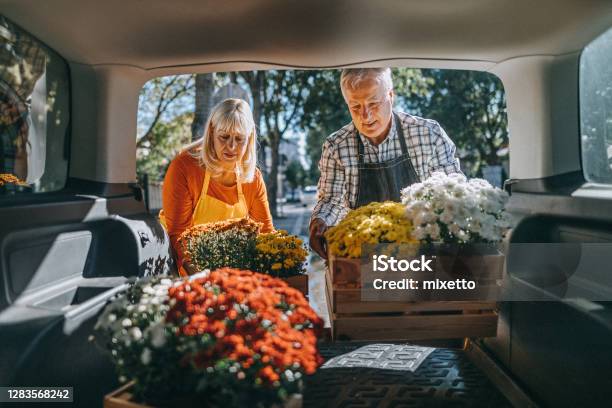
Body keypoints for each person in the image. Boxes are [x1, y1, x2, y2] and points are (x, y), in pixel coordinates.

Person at [309, 68, 462, 259]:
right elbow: (332, 199)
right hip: (362, 255)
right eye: (355, 106)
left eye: (373, 103)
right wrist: (320, 221)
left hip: (422, 252)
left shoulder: (429, 134)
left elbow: (451, 194)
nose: (366, 116)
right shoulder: (336, 147)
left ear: (391, 95)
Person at [160, 98, 274, 276]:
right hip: (183, 270)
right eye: (224, 137)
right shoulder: (184, 168)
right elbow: (178, 234)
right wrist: (204, 278)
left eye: (239, 139)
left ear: (250, 138)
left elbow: (266, 234)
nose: (231, 146)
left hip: (231, 271)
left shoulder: (253, 179)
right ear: (212, 132)